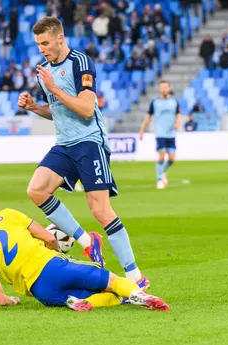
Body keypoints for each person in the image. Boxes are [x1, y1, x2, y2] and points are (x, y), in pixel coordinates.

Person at [17, 17, 149, 289]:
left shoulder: (80, 62)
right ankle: (88, 241)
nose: (41, 49)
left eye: (45, 43)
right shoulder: (45, 72)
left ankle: (136, 276)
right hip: (65, 144)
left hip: (90, 142)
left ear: (60, 38)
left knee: (100, 209)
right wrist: (34, 107)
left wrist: (53, 88)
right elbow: (58, 111)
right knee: (36, 189)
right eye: (38, 44)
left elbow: (87, 109)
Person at [0, 201, 169, 311]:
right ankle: (140, 295)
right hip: (52, 265)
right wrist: (58, 253)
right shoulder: (7, 214)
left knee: (96, 298)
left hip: (40, 291)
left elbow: (0, 300)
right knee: (113, 282)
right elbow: (47, 236)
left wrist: (12, 301)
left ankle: (79, 303)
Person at [138, 81, 181, 190]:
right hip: (160, 133)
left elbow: (178, 115)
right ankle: (159, 180)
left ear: (169, 88)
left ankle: (162, 172)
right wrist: (142, 130)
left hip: (171, 133)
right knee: (161, 156)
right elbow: (148, 117)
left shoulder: (174, 102)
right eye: (162, 87)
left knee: (172, 159)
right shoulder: (155, 102)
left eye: (166, 87)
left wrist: (177, 123)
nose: (164, 89)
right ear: (159, 89)